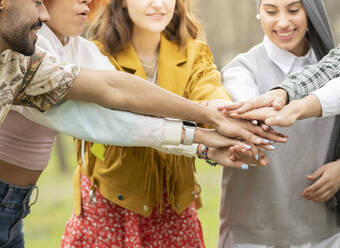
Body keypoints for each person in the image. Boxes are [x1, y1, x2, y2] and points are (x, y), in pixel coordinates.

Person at [0, 0, 281, 247]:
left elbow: (201, 90)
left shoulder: (72, 48)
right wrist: (206, 131)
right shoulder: (31, 56)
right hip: (101, 204)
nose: (43, 15)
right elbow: (108, 115)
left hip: (16, 204)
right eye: (36, 1)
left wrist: (210, 134)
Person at [220, 0, 340, 247]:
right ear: (258, 13)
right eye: (271, 11)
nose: (283, 22)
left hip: (325, 232)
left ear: (311, 13)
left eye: (293, 10)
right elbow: (247, 105)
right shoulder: (241, 70)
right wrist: (277, 101)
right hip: (256, 232)